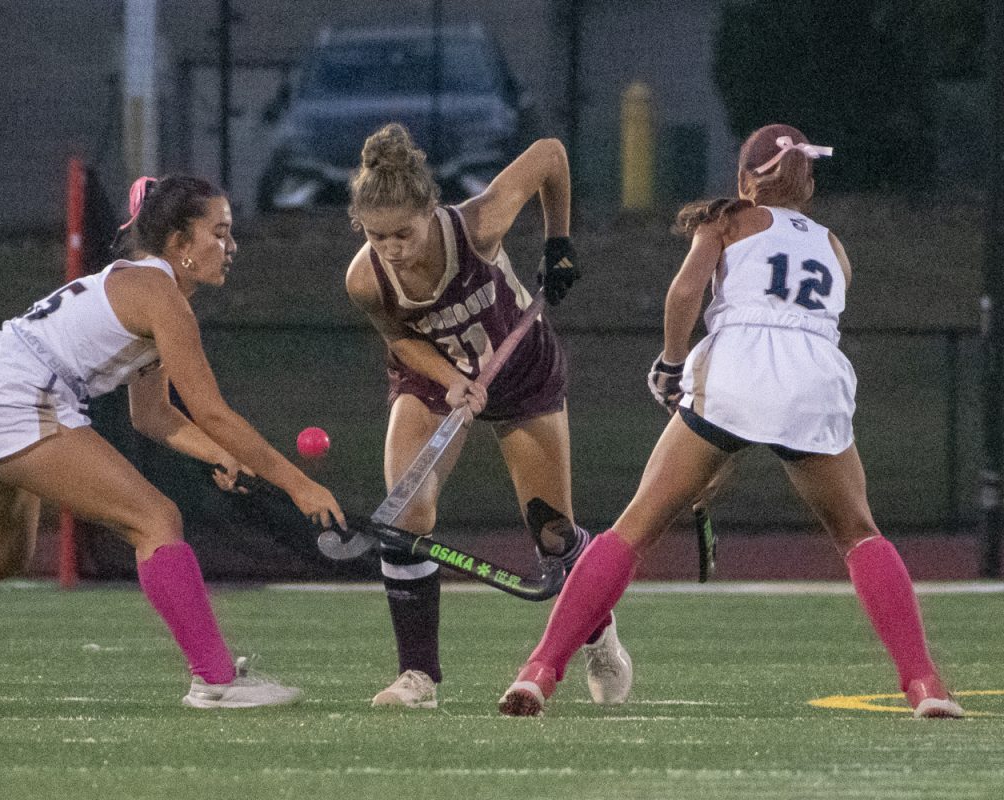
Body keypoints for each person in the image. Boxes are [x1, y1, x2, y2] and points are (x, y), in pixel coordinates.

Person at [0, 174, 346, 709]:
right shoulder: (159, 294)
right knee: (156, 520)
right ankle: (215, 680)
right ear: (180, 244)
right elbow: (210, 410)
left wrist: (220, 455)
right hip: (20, 394)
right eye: (219, 233)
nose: (231, 247)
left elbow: (154, 415)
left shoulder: (148, 288)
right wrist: (299, 485)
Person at [498, 124, 964, 719]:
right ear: (810, 186)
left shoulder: (726, 219)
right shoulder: (834, 246)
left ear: (746, 181)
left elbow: (685, 292)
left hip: (736, 367)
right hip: (814, 375)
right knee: (859, 533)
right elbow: (792, 335)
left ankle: (539, 670)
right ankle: (924, 684)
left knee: (634, 527)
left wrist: (671, 366)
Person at [345, 123, 633, 709]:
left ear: (431, 210)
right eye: (378, 237)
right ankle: (417, 677)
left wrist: (559, 243)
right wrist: (451, 380)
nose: (393, 249)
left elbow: (551, 153)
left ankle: (599, 636)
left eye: (404, 233)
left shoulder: (477, 225)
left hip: (522, 369)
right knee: (405, 513)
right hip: (432, 378)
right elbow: (400, 340)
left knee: (554, 536)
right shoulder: (365, 279)